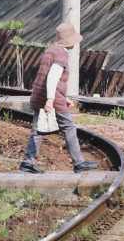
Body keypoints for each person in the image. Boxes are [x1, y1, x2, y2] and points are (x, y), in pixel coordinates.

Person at [22, 22, 90, 173]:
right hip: (49, 97)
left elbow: (51, 78)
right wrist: (51, 100)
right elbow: (52, 77)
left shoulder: (51, 50)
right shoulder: (61, 53)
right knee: (69, 126)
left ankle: (28, 161)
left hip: (41, 94)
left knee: (39, 130)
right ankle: (79, 162)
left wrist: (63, 97)